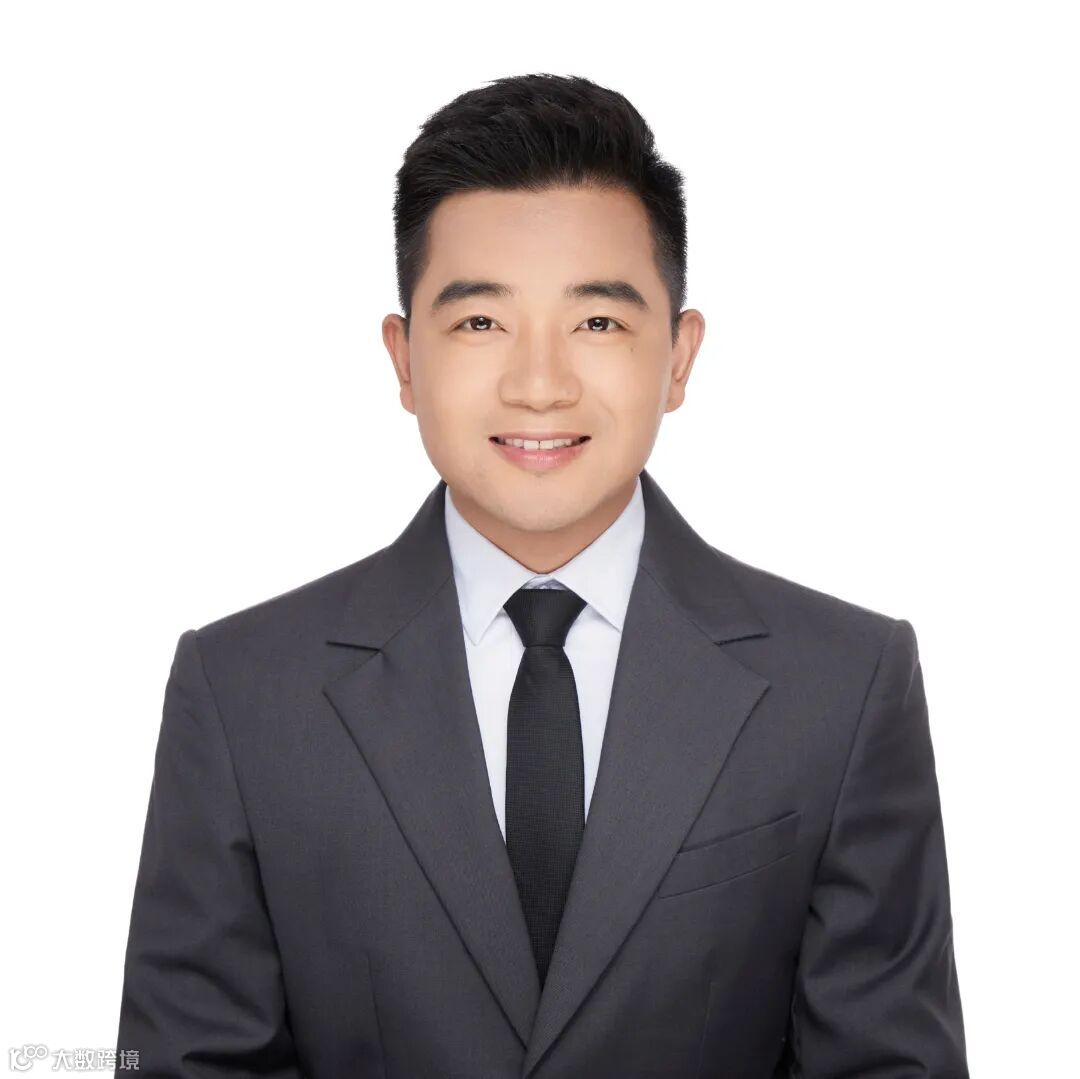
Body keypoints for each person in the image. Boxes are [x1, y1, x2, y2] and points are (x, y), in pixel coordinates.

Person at [115, 72, 969, 1077]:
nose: (539, 383)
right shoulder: (244, 693)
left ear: (679, 356)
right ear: (403, 358)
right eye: (481, 322)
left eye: (597, 322)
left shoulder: (844, 685)